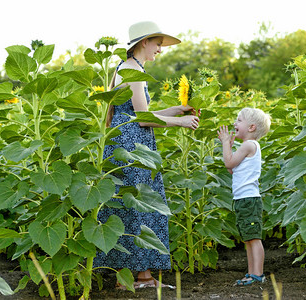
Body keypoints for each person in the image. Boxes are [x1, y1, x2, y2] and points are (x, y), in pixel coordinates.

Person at [94, 21, 200, 289]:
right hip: (132, 146)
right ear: (144, 42)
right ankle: (135, 278)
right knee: (138, 205)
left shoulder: (130, 69)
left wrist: (174, 110)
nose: (160, 50)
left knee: (134, 205)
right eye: (158, 44)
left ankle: (138, 277)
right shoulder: (132, 71)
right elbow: (141, 119)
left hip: (128, 142)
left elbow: (134, 113)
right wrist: (180, 123)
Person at [217, 107, 271, 286]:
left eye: (239, 120)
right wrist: (230, 148)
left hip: (249, 200)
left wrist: (225, 143)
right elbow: (232, 169)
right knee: (248, 237)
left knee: (254, 238)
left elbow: (228, 162)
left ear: (252, 127)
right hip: (243, 199)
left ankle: (258, 273)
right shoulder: (247, 146)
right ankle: (252, 272)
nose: (235, 123)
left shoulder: (249, 145)